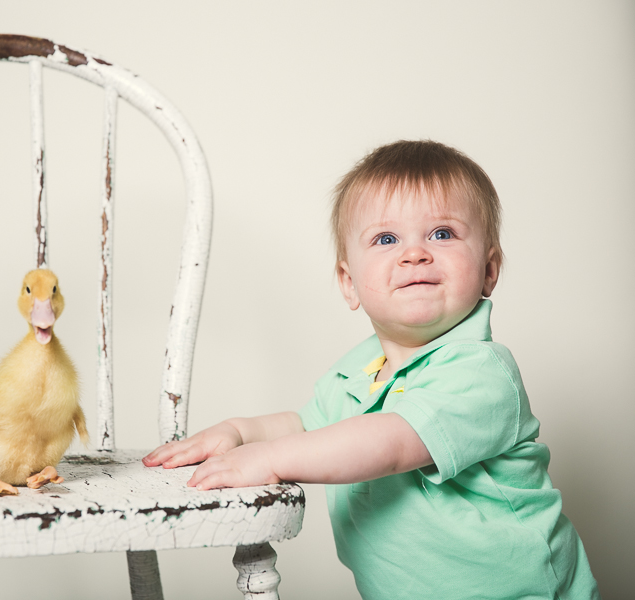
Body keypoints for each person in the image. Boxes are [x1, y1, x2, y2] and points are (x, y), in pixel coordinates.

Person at [143, 140, 600, 599]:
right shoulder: (358, 370)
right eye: (386, 239)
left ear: (488, 269)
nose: (414, 254)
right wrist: (241, 432)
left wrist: (269, 459)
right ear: (349, 283)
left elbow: (391, 443)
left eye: (442, 233)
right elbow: (307, 424)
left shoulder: (480, 370)